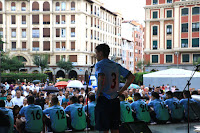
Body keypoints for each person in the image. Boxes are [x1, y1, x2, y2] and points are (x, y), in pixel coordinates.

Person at [95, 44, 134, 133]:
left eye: (96, 53)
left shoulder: (99, 65)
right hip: (115, 99)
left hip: (104, 99)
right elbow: (131, 77)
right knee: (115, 128)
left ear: (100, 53)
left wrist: (98, 95)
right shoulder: (116, 65)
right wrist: (121, 91)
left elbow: (101, 78)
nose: (96, 55)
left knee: (103, 128)